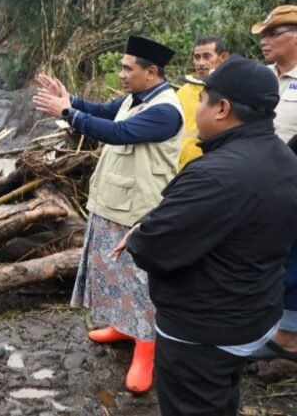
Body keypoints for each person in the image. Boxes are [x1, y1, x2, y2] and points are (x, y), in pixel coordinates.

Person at [120, 54, 297, 415]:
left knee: (195, 401)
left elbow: (153, 248)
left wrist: (141, 234)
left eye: (202, 100)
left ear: (222, 109)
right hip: (256, 314)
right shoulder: (283, 157)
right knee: (220, 391)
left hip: (203, 330)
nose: (196, 109)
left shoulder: (213, 175)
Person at [32, 35, 184, 393]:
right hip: (113, 202)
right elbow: (102, 111)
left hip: (139, 210)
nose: (122, 74)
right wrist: (69, 100)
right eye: (121, 67)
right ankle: (122, 326)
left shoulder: (165, 109)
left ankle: (146, 348)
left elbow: (117, 132)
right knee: (112, 271)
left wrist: (67, 114)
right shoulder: (137, 99)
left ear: (152, 72)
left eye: (128, 68)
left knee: (139, 281)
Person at [249, 5, 297, 361]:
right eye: (263, 34)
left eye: (272, 33)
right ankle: (266, 324)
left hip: (292, 183)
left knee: (294, 256)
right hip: (254, 183)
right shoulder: (260, 77)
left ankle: (288, 337)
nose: (264, 41)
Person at [176, 36, 229, 169]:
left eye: (207, 56)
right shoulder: (183, 91)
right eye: (197, 57)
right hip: (181, 167)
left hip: (215, 166)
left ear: (223, 57)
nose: (201, 62)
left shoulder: (231, 91)